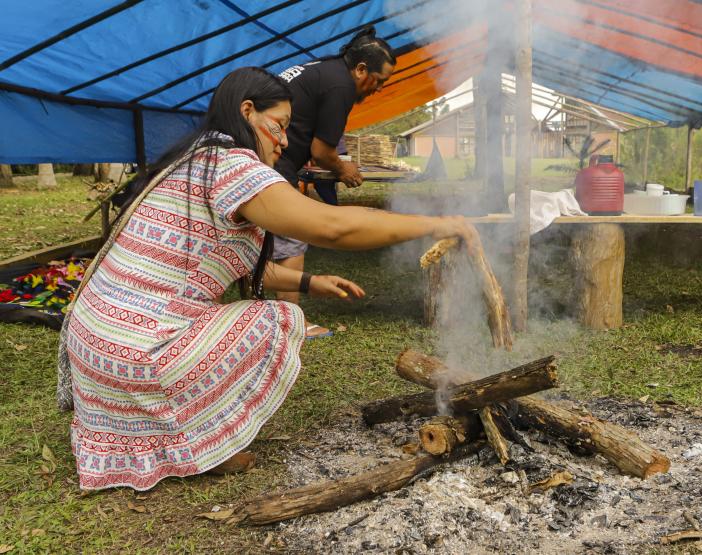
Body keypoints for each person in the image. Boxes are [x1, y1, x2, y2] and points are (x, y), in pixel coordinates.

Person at [57, 66, 476, 491]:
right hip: (136, 354)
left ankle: (149, 430)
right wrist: (434, 223)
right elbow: (334, 227)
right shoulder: (231, 164)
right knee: (278, 320)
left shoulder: (199, 157)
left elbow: (224, 262)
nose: (283, 141)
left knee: (264, 312)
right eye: (278, 127)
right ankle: (206, 445)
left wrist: (311, 281)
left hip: (97, 348)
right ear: (247, 111)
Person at [271, 27, 396, 338]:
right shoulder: (341, 86)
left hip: (262, 159)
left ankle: (260, 316)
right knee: (292, 238)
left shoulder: (326, 70)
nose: (377, 89)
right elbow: (322, 150)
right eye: (378, 81)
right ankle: (291, 325)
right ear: (361, 69)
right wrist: (344, 169)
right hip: (271, 162)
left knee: (258, 239)